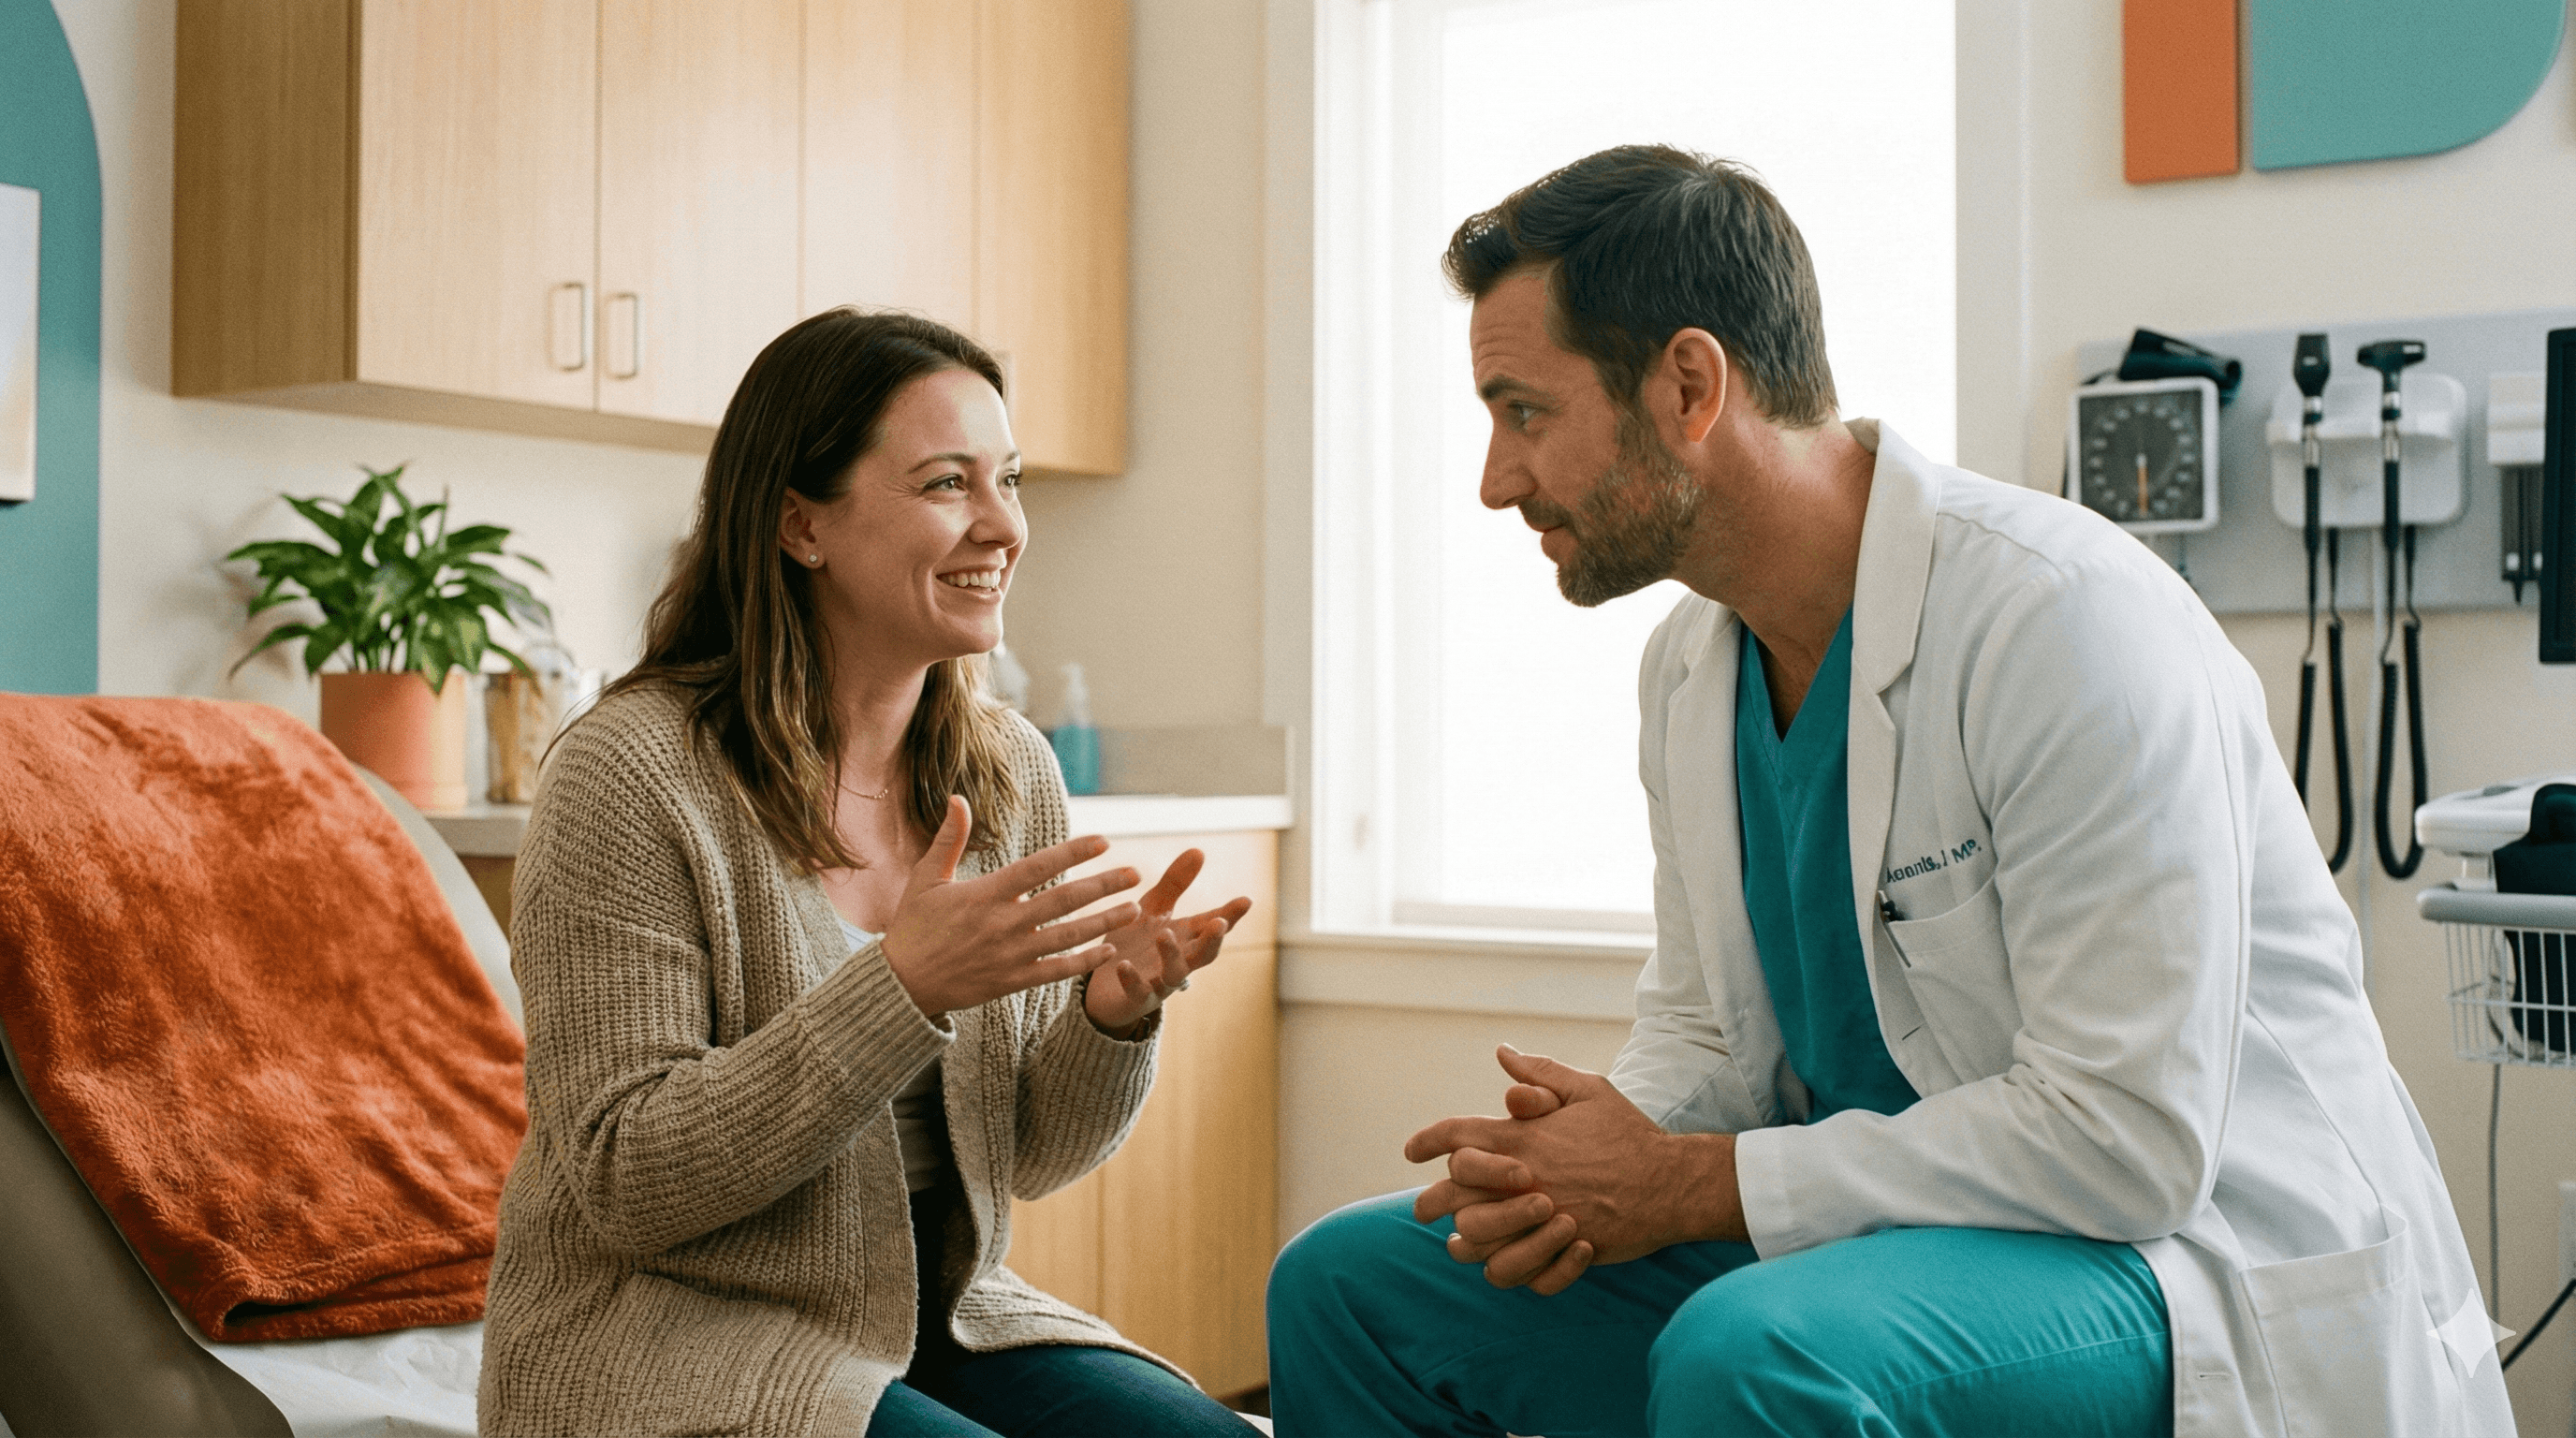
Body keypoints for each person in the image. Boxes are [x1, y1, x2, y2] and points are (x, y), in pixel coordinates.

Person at [1266, 145, 2512, 1438]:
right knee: (1351, 1287)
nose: (1495, 478)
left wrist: (1696, 1185)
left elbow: (2128, 1141)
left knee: (1753, 1354)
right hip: (1889, 1231)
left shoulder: (2061, 621)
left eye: (1526, 412)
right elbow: (1708, 1032)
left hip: (2178, 1252)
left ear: (1690, 385)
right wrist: (1595, 1156)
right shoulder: (1691, 668)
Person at [478, 308, 1261, 1437]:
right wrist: (899, 989)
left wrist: (1109, 1015)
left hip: (939, 1319)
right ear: (801, 524)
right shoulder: (631, 775)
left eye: (1010, 479)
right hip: (670, 1339)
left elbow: (1028, 1157)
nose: (1003, 526)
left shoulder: (1006, 774)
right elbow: (623, 1179)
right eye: (949, 483)